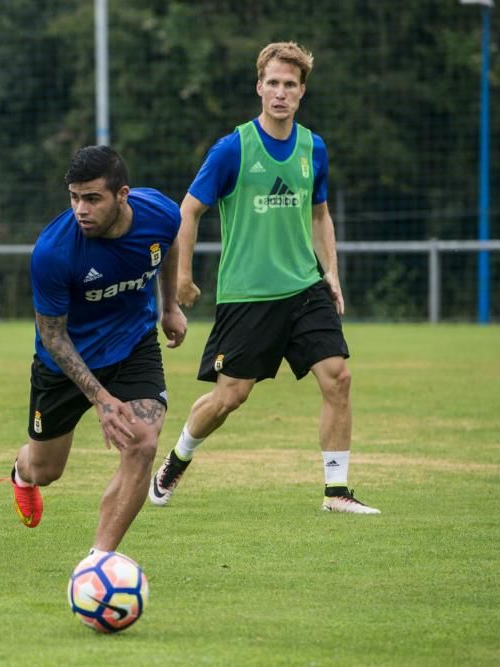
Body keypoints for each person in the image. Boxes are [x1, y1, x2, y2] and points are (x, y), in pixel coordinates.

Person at [150, 42, 380, 514]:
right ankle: (175, 461)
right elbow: (188, 211)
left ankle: (336, 492)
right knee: (230, 397)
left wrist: (330, 273)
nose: (280, 93)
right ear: (259, 87)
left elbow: (320, 214)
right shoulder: (233, 147)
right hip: (247, 296)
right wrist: (183, 279)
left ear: (302, 92)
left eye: (290, 85)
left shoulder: (313, 147)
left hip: (304, 288)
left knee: (338, 377)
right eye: (272, 83)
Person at [7, 145, 187, 553]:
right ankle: (21, 472)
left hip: (133, 345)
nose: (80, 209)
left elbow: (170, 240)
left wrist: (170, 306)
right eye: (74, 197)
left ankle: (100, 559)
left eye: (92, 198)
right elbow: (53, 336)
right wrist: (101, 399)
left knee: (142, 442)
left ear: (122, 194)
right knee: (46, 469)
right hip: (66, 363)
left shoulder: (159, 211)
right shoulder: (54, 252)